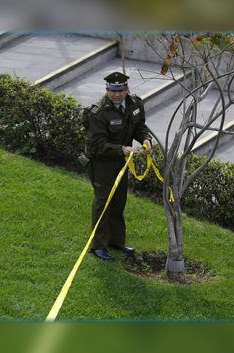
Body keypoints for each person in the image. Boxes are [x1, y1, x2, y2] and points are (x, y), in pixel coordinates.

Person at [85, 71, 152, 261]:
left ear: (127, 89)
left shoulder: (135, 104)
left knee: (118, 202)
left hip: (122, 162)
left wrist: (146, 140)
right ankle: (98, 245)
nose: (116, 95)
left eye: (120, 90)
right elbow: (97, 144)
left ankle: (116, 241)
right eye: (112, 90)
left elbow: (139, 127)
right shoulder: (98, 112)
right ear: (107, 90)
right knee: (103, 203)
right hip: (102, 163)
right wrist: (121, 149)